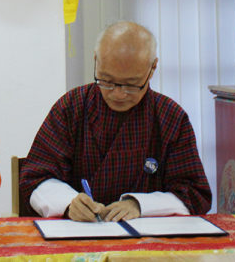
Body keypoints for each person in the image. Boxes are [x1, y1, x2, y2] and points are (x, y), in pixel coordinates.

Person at [19, 21, 211, 222]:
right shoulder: (71, 107)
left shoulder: (170, 117)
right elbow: (34, 177)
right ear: (96, 61)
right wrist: (69, 203)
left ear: (152, 68)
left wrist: (139, 205)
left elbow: (195, 193)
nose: (118, 94)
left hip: (145, 242)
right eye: (107, 81)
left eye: (131, 85)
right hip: (78, 234)